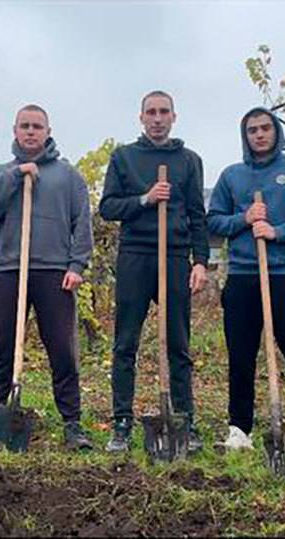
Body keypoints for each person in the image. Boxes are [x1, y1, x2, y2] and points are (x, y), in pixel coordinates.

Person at [207, 107, 285, 469]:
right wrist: (244, 218)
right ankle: (239, 429)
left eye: (265, 128)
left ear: (276, 131)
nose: (260, 135)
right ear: (245, 136)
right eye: (252, 130)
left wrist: (278, 232)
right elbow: (214, 221)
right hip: (243, 276)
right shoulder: (232, 176)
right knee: (241, 354)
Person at [0, 104, 94, 451]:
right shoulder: (1, 173)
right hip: (11, 270)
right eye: (25, 126)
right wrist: (17, 176)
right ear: (15, 130)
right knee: (2, 346)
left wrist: (77, 266)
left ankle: (72, 423)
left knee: (62, 349)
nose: (30, 131)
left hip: (55, 272)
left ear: (48, 132)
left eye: (37, 126)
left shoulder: (68, 176)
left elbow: (82, 222)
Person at [99, 90, 210, 453]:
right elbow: (108, 207)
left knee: (178, 344)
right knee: (125, 343)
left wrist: (200, 260)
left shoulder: (189, 160)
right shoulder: (124, 157)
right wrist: (145, 199)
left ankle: (184, 421)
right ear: (141, 117)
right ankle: (121, 423)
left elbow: (197, 215)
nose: (157, 118)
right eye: (151, 112)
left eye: (164, 112)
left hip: (174, 257)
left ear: (173, 117)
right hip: (135, 255)